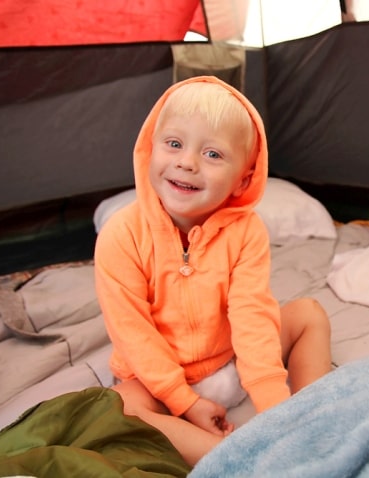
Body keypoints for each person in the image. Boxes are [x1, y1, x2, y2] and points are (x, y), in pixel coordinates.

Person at [94, 76, 332, 466]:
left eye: (213, 155)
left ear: (243, 179)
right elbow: (133, 335)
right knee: (119, 406)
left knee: (308, 313)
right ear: (149, 149)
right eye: (174, 144)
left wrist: (274, 405)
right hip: (161, 384)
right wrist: (184, 402)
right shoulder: (121, 235)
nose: (186, 162)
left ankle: (309, 416)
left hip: (231, 360)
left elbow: (252, 315)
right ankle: (240, 463)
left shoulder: (246, 231)